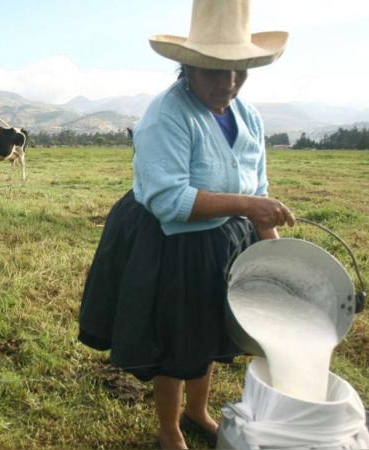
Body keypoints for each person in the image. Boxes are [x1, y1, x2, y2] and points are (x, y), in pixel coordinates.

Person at [77, 1, 295, 448]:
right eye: (216, 71)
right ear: (188, 66)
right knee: (177, 338)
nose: (229, 83)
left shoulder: (247, 115)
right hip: (174, 245)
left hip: (225, 240)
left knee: (210, 329)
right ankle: (169, 429)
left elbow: (258, 186)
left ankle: (198, 411)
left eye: (239, 72)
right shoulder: (167, 114)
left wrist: (272, 253)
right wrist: (251, 206)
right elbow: (168, 200)